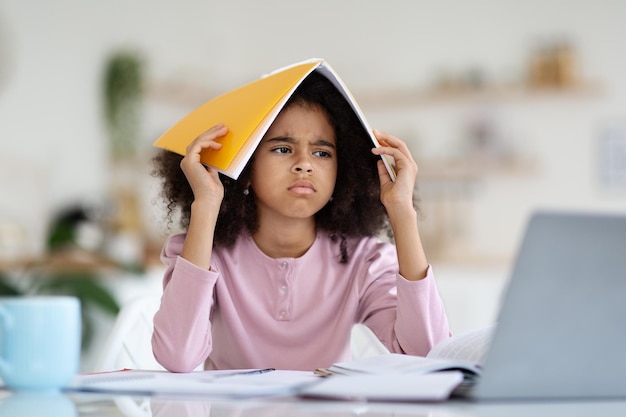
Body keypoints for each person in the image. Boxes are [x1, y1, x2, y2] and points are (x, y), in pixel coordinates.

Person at [150, 71, 450, 373]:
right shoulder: (205, 255)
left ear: (340, 172)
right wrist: (205, 205)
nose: (304, 164)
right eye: (283, 148)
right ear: (245, 166)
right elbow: (178, 357)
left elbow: (426, 355)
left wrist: (402, 212)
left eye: (321, 152)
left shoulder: (364, 261)